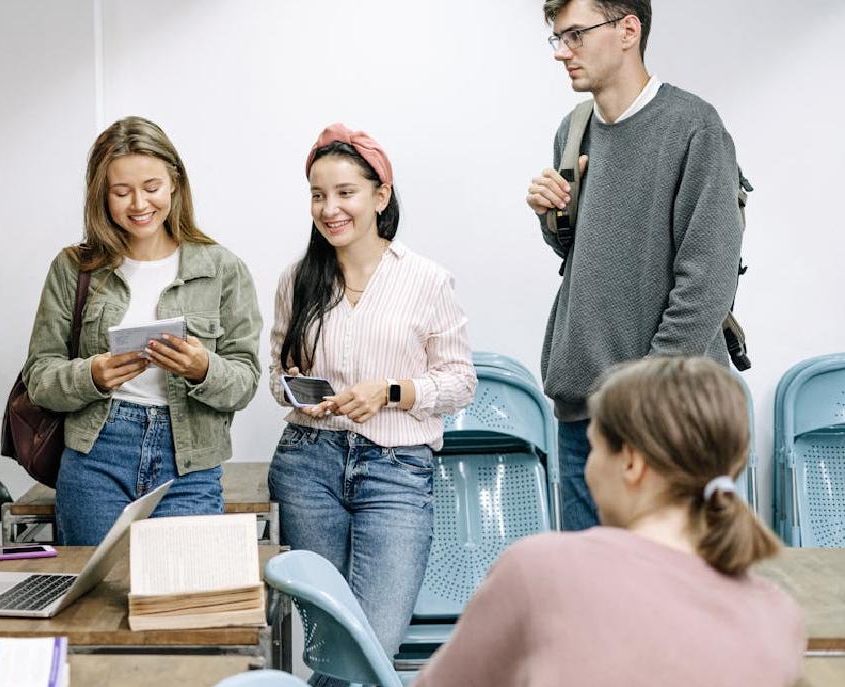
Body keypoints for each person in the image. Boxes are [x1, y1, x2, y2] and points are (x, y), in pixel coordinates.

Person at [415, 356, 804, 686]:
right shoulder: (778, 616)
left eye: (595, 449)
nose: (587, 469)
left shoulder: (541, 569)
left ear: (631, 462)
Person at [525, 0, 745, 530]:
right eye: (556, 38)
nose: (561, 52)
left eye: (575, 35)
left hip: (668, 416)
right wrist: (551, 216)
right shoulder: (573, 130)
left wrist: (642, 397)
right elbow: (586, 253)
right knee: (592, 600)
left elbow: (707, 282)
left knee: (676, 598)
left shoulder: (694, 127)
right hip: (584, 416)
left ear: (628, 30)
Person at [268, 122, 477, 681]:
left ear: (380, 196)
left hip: (398, 471)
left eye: (344, 193)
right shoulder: (297, 280)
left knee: (370, 642)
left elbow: (460, 381)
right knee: (328, 640)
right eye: (318, 195)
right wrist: (297, 392)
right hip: (307, 464)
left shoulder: (427, 280)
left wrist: (391, 392)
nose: (329, 208)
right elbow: (275, 375)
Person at [23, 116, 262, 546]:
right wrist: (92, 375)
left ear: (175, 183)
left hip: (189, 462)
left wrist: (202, 368)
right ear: (102, 195)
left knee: (179, 601)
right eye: (121, 191)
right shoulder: (73, 269)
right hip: (96, 457)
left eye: (151, 187)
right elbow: (39, 377)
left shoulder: (222, 269)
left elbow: (245, 382)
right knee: (94, 604)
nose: (138, 204)